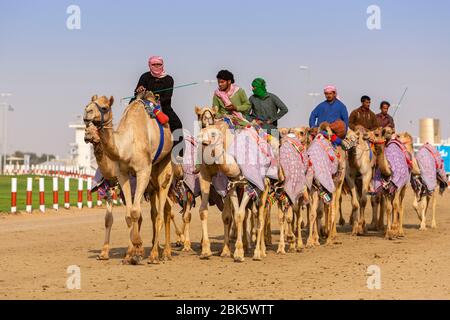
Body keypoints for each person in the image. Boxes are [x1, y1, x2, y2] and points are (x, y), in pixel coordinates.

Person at [133, 56, 184, 154]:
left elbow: (168, 96)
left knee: (177, 125)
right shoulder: (145, 77)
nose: (156, 66)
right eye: (154, 64)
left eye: (159, 64)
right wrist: (139, 91)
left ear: (162, 65)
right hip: (144, 105)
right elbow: (136, 92)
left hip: (163, 106)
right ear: (149, 65)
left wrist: (155, 100)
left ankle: (178, 154)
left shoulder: (169, 79)